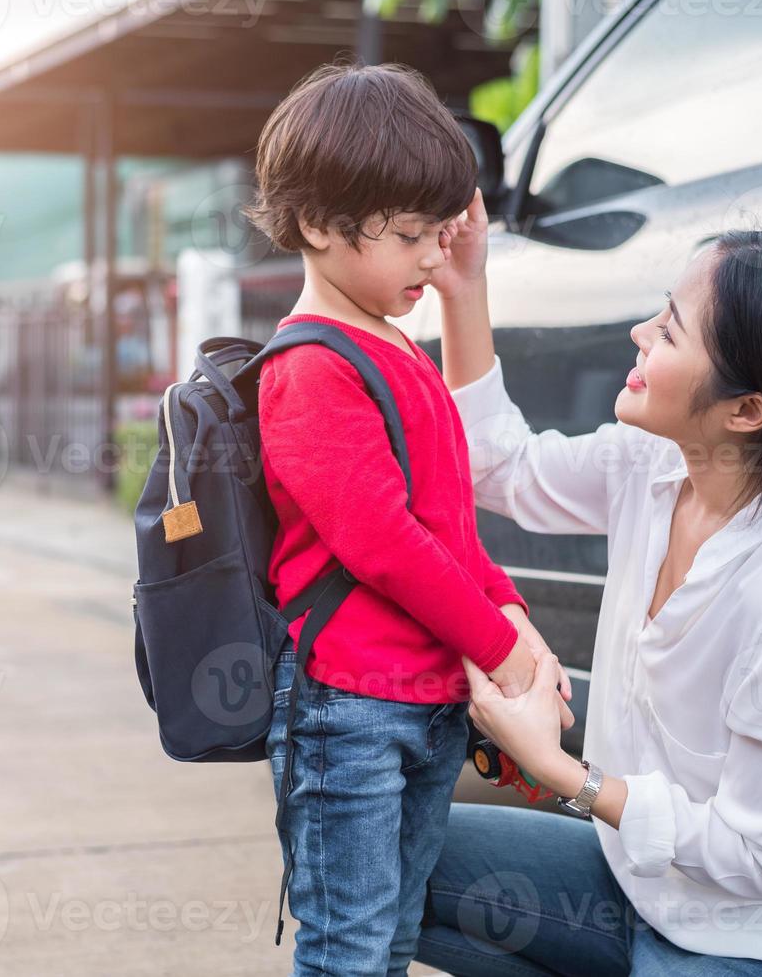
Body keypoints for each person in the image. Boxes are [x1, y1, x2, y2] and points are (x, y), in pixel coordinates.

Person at [415, 195, 762, 976]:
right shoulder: (653, 464)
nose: (639, 335)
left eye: (668, 332)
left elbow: (759, 859)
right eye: (659, 314)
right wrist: (463, 286)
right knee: (372, 859)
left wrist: (562, 774)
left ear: (747, 410)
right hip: (641, 888)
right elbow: (499, 466)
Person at [241, 62, 573, 976]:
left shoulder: (391, 344)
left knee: (389, 939)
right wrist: (504, 653)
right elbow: (385, 544)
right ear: (318, 224)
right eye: (409, 236)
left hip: (423, 704)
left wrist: (514, 620)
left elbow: (448, 525)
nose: (432, 256)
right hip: (347, 711)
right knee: (348, 948)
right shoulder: (309, 368)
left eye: (438, 233)